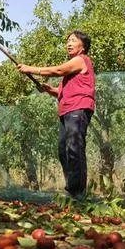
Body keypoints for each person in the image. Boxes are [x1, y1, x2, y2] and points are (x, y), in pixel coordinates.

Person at [17, 30, 95, 199]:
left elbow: (58, 70)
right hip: (66, 110)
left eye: (73, 41)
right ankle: (72, 188)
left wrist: (30, 69)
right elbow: (61, 92)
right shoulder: (71, 72)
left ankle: (78, 192)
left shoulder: (81, 60)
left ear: (83, 46)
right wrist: (49, 90)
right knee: (63, 150)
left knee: (74, 147)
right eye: (68, 41)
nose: (69, 43)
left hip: (78, 109)